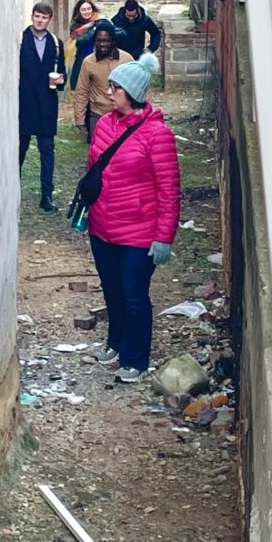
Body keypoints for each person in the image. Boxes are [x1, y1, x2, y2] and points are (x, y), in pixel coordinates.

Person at [86, 53, 180, 382]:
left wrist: (163, 237)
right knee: (112, 290)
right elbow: (92, 171)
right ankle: (115, 342)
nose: (109, 93)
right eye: (110, 87)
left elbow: (169, 189)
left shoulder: (158, 135)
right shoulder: (103, 124)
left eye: (115, 88)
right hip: (102, 227)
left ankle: (135, 359)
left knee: (134, 294)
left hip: (139, 233)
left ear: (133, 94)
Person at [19, 3, 66, 212]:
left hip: (47, 105)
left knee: (47, 152)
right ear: (32, 16)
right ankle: (13, 191)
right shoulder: (20, 40)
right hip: (24, 104)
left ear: (50, 19)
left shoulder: (56, 44)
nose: (39, 20)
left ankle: (47, 195)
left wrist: (60, 81)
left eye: (44, 17)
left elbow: (62, 75)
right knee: (19, 150)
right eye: (37, 16)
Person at [73, 20, 133, 141]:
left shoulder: (127, 60)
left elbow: (136, 88)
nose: (102, 44)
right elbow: (82, 90)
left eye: (106, 41)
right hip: (98, 114)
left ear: (113, 41)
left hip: (122, 115)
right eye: (99, 41)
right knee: (98, 154)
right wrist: (79, 116)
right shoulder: (88, 62)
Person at [66, 0, 100, 92]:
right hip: (83, 60)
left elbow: (119, 33)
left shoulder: (100, 22)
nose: (87, 12)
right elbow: (80, 42)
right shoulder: (76, 27)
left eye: (89, 9)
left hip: (99, 60)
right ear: (79, 11)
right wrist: (93, 29)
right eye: (83, 9)